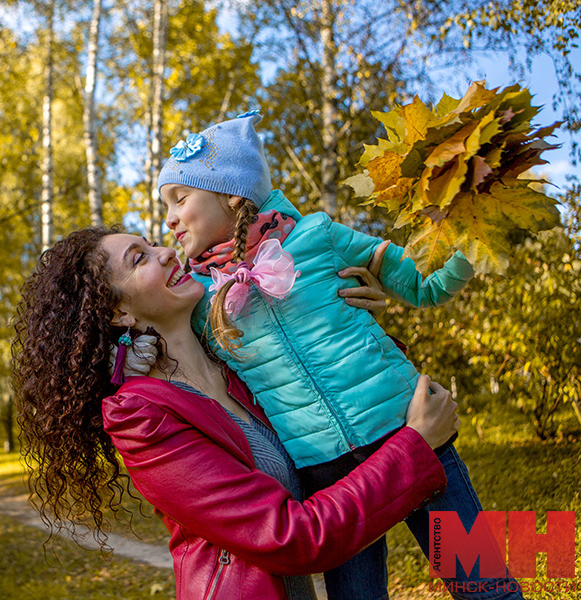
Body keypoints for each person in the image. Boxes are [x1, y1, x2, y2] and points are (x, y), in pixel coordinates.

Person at [151, 111, 521, 599]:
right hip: (326, 475)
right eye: (166, 205)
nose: (169, 218)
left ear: (232, 194)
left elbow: (425, 284)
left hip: (411, 429)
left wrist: (470, 225)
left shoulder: (319, 237)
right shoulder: (197, 299)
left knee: (485, 587)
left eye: (180, 198)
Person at [13, 225, 460, 600]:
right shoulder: (140, 418)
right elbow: (290, 537)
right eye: (139, 258)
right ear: (118, 312)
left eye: (154, 243)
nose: (168, 251)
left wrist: (341, 316)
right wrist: (416, 444)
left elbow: (329, 400)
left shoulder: (238, 361)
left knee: (489, 578)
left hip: (379, 481)